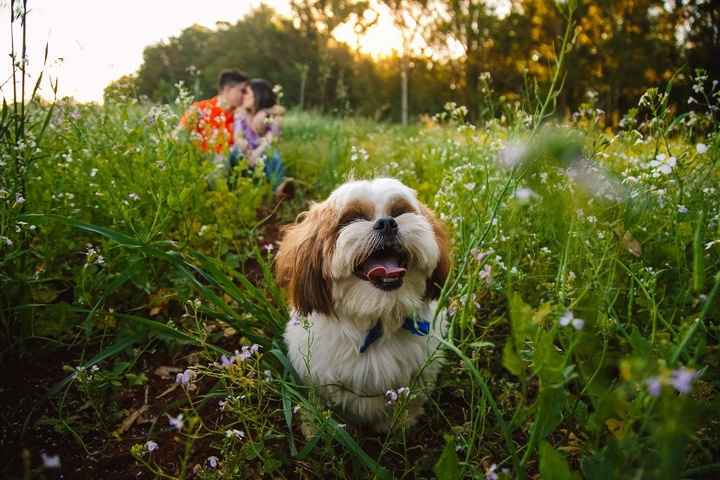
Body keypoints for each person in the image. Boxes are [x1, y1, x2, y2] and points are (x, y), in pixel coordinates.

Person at [232, 79, 289, 193]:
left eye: (247, 93)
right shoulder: (241, 114)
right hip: (246, 151)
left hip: (262, 151)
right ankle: (236, 186)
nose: (244, 96)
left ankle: (279, 188)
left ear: (258, 96)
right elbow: (238, 136)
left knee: (274, 156)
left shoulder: (271, 116)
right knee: (235, 152)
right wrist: (245, 147)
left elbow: (272, 138)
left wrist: (256, 153)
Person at [178, 69, 248, 156]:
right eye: (243, 91)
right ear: (227, 89)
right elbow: (178, 136)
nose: (245, 96)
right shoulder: (200, 109)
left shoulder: (242, 116)